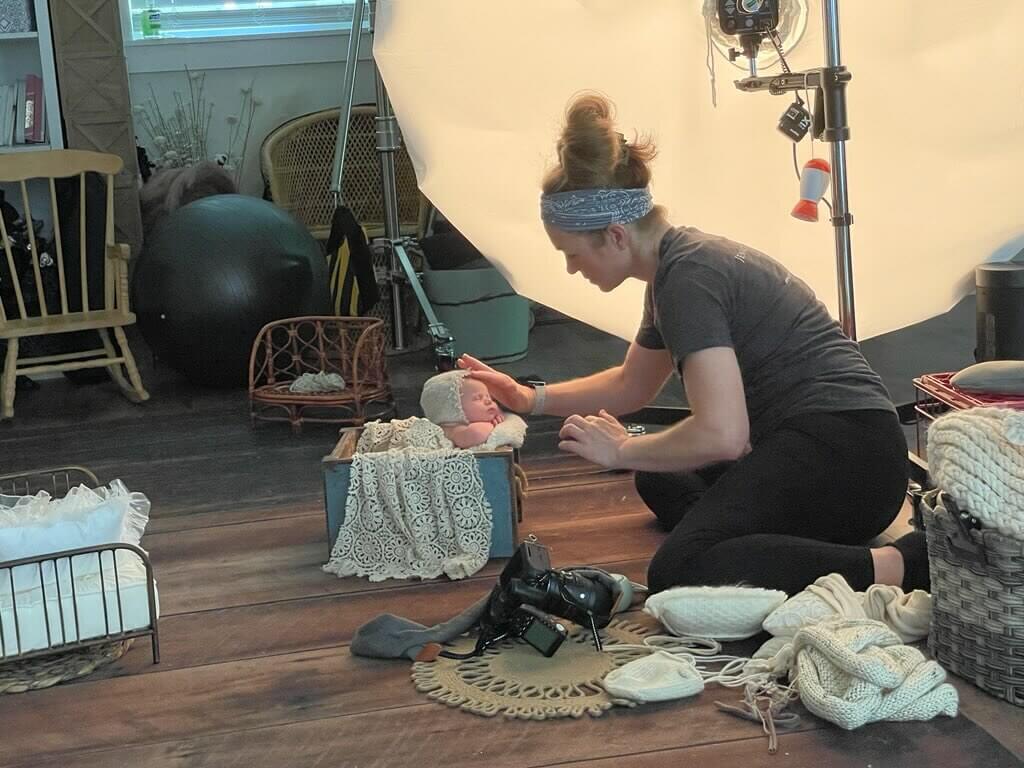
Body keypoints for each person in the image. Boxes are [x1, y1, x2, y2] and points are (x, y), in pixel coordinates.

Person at [458, 93, 928, 596]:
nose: (572, 268)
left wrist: (622, 445)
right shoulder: (676, 267)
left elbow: (723, 436)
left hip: (850, 460)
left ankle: (899, 563)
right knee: (659, 477)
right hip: (832, 444)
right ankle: (769, 543)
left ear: (616, 236)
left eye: (572, 253)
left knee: (679, 568)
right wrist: (531, 399)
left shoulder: (688, 280)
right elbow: (630, 384)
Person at [420, 369, 505, 448]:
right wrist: (491, 423)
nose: (489, 401)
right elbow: (477, 434)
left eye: (489, 397)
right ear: (452, 408)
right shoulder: (452, 430)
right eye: (478, 398)